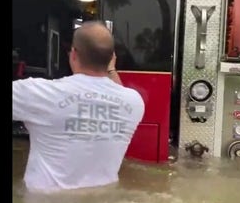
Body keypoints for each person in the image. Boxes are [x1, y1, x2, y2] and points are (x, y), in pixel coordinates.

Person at [12, 21, 145, 192]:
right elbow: (117, 91)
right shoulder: (134, 103)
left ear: (73, 55)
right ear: (112, 58)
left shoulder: (38, 94)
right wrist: (111, 70)